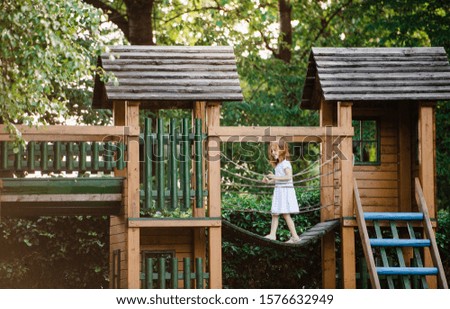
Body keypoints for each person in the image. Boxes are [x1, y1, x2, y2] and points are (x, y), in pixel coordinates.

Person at [262, 140, 301, 243]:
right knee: (275, 213)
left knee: (285, 214)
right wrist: (269, 181)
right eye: (272, 151)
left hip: (285, 192)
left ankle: (294, 236)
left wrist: (275, 176)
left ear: (282, 150)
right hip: (279, 191)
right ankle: (273, 234)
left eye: (275, 150)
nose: (273, 152)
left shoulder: (285, 163)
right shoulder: (278, 165)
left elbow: (289, 177)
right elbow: (277, 180)